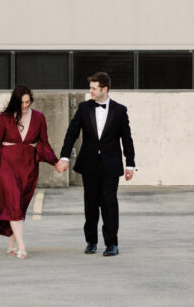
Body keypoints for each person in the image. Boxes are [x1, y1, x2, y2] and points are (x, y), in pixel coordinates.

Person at [55, 72, 135, 256]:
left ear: (104, 89)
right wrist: (64, 156)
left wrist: (130, 164)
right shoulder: (84, 108)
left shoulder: (119, 110)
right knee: (90, 204)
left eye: (93, 88)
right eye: (90, 87)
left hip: (111, 164)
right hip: (89, 163)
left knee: (109, 203)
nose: (90, 91)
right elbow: (71, 133)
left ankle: (112, 244)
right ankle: (91, 241)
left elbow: (127, 139)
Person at [0, 85, 58, 258]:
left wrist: (55, 161)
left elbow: (44, 143)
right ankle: (21, 246)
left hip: (28, 167)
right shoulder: (3, 118)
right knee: (13, 202)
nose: (25, 106)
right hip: (6, 166)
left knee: (19, 206)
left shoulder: (39, 118)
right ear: (15, 102)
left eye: (27, 102)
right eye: (21, 103)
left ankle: (11, 244)